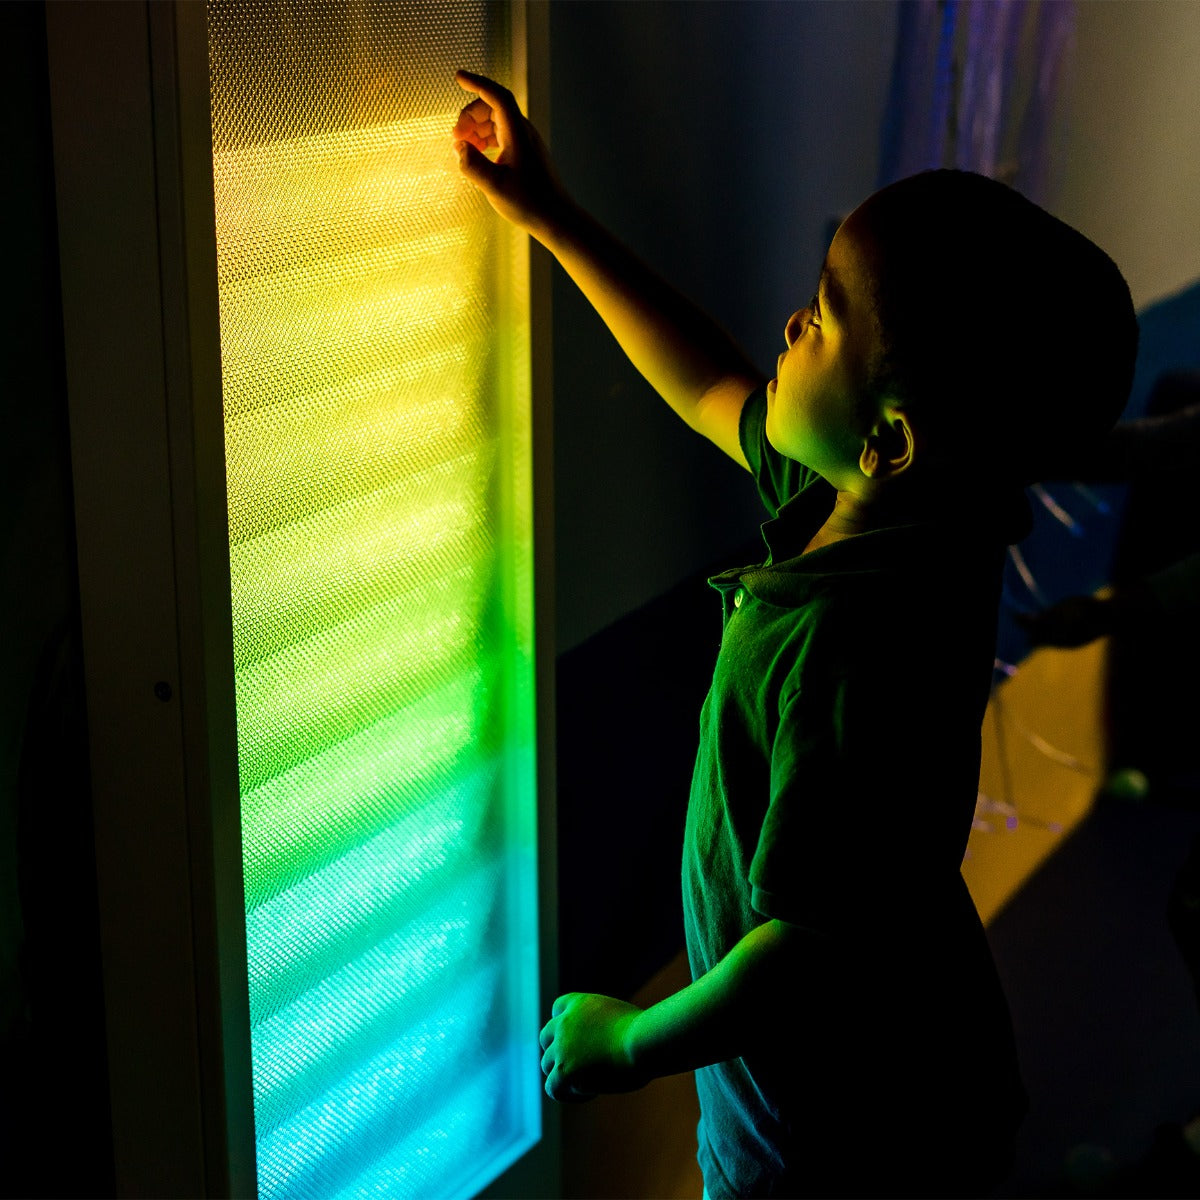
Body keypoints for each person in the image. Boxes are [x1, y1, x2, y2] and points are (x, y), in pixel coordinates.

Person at [451, 70, 1138, 1198]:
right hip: (871, 1091)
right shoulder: (886, 515)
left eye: (822, 316)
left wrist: (632, 1044)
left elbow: (802, 954)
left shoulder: (858, 651)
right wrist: (552, 215)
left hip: (838, 1140)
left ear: (890, 439)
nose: (789, 322)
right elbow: (708, 378)